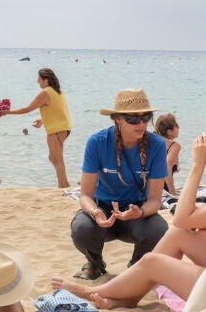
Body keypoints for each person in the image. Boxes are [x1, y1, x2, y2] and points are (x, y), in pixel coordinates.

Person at [53, 113, 206, 312]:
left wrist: (196, 167)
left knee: (152, 262)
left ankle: (94, 292)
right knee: (180, 234)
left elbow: (181, 217)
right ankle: (130, 297)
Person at [69, 88, 169, 281]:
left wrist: (139, 212)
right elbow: (85, 195)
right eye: (133, 118)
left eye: (146, 117)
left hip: (135, 213)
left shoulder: (156, 145)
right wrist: (95, 212)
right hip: (103, 210)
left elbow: (155, 200)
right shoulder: (97, 142)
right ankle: (94, 263)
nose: (141, 124)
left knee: (158, 229)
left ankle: (137, 266)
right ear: (117, 118)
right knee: (81, 228)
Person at [0, 68, 72, 187]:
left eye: (39, 79)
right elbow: (58, 110)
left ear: (46, 80)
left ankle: (62, 186)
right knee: (52, 157)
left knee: (58, 159)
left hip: (56, 130)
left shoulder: (45, 93)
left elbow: (27, 109)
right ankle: (65, 184)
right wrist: (42, 121)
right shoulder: (57, 91)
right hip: (64, 128)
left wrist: (7, 112)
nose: (38, 81)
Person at [154, 113, 182, 196]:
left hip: (146, 189)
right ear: (169, 132)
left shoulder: (151, 140)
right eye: (176, 126)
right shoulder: (174, 146)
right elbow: (167, 167)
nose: (179, 128)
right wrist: (173, 192)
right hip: (162, 191)